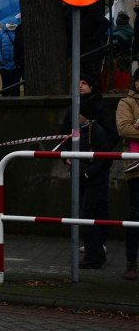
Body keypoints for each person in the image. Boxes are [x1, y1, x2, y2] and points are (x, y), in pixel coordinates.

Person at [76, 99, 112, 269]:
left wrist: (86, 172)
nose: (76, 116)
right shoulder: (80, 131)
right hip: (84, 179)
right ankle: (97, 254)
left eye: (79, 113)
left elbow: (106, 159)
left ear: (87, 115)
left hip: (93, 181)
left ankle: (93, 256)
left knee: (87, 216)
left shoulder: (96, 131)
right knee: (87, 216)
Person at [114, 69, 139, 280]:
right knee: (135, 216)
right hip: (136, 168)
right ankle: (131, 262)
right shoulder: (127, 103)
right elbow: (124, 129)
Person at [0, 22, 21, 96]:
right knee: (5, 87)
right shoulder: (1, 31)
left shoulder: (18, 31)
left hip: (16, 65)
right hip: (3, 65)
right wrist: (0, 60)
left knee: (15, 87)